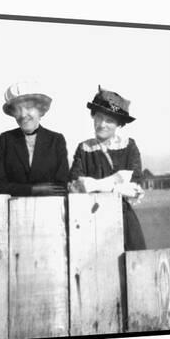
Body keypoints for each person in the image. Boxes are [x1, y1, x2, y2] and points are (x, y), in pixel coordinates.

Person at [69, 86, 146, 250]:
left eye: (109, 120)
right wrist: (117, 183)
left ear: (119, 124)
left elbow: (134, 187)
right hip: (91, 219)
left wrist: (95, 185)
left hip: (124, 219)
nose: (102, 124)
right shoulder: (84, 149)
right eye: (98, 117)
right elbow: (76, 185)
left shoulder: (129, 147)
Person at [0, 82, 69, 196]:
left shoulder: (56, 140)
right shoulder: (6, 140)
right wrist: (33, 189)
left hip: (49, 208)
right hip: (14, 210)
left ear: (40, 110)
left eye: (28, 108)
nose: (23, 115)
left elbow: (62, 186)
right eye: (17, 109)